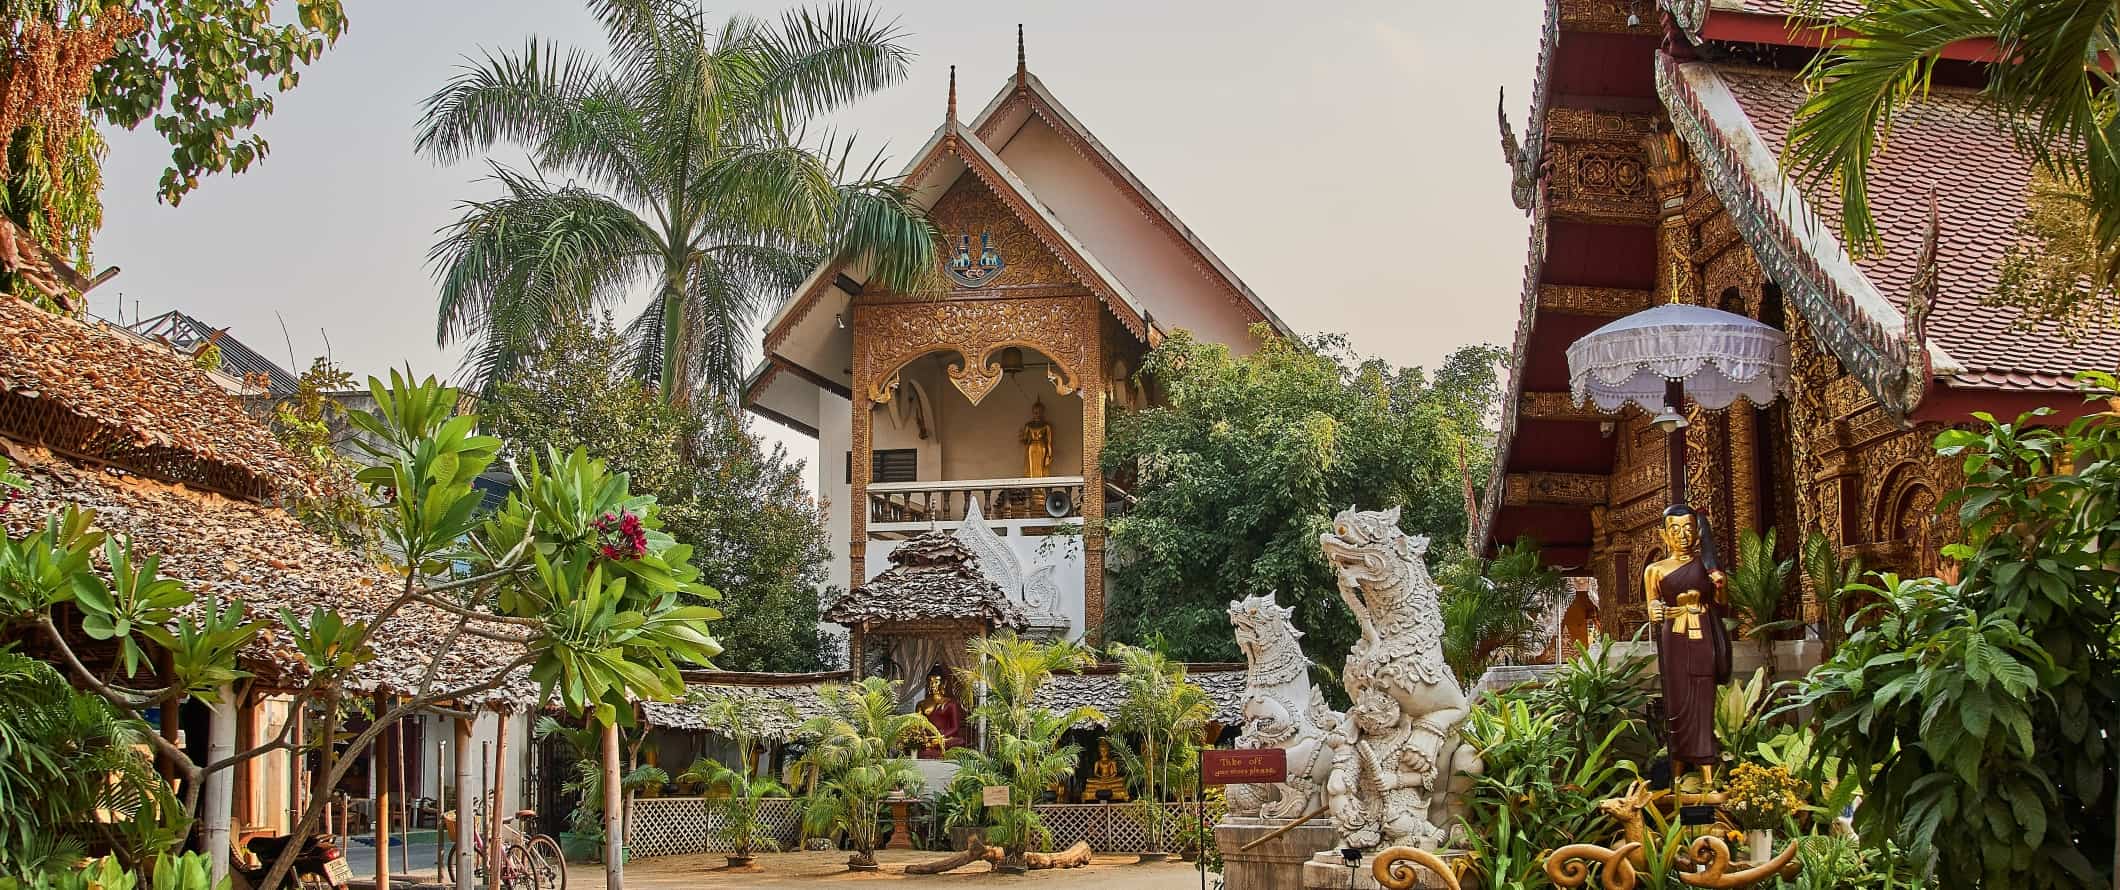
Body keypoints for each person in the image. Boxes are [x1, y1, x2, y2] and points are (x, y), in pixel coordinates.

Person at [1642, 504, 1732, 789]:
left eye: (1689, 528)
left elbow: (1723, 606)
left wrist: (1720, 586)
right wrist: (1655, 609)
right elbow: (1652, 604)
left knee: (1703, 701)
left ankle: (1706, 772)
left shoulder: (1706, 567)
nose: (1683, 535)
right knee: (1676, 701)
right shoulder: (1655, 570)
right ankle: (1677, 770)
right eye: (1675, 529)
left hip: (1702, 635)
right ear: (1664, 534)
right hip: (1674, 639)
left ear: (1697, 533)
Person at [916, 674, 965, 758]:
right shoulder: (921, 704)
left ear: (943, 684)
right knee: (918, 744)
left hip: (944, 738)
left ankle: (935, 745)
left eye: (936, 682)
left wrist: (939, 737)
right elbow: (918, 726)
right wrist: (923, 737)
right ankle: (931, 745)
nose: (933, 685)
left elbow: (955, 727)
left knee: (959, 741)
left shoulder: (950, 703)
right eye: (930, 682)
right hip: (928, 738)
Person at [1020, 401, 1054, 478]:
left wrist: (1049, 455)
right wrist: (1022, 437)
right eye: (1035, 412)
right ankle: (1032, 486)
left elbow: (1049, 442)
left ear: (1042, 412)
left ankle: (1041, 487)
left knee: (1041, 467)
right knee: (1032, 467)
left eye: (1039, 412)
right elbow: (1025, 439)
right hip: (1031, 447)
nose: (1037, 414)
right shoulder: (1028, 425)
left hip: (1042, 447)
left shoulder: (1046, 425)